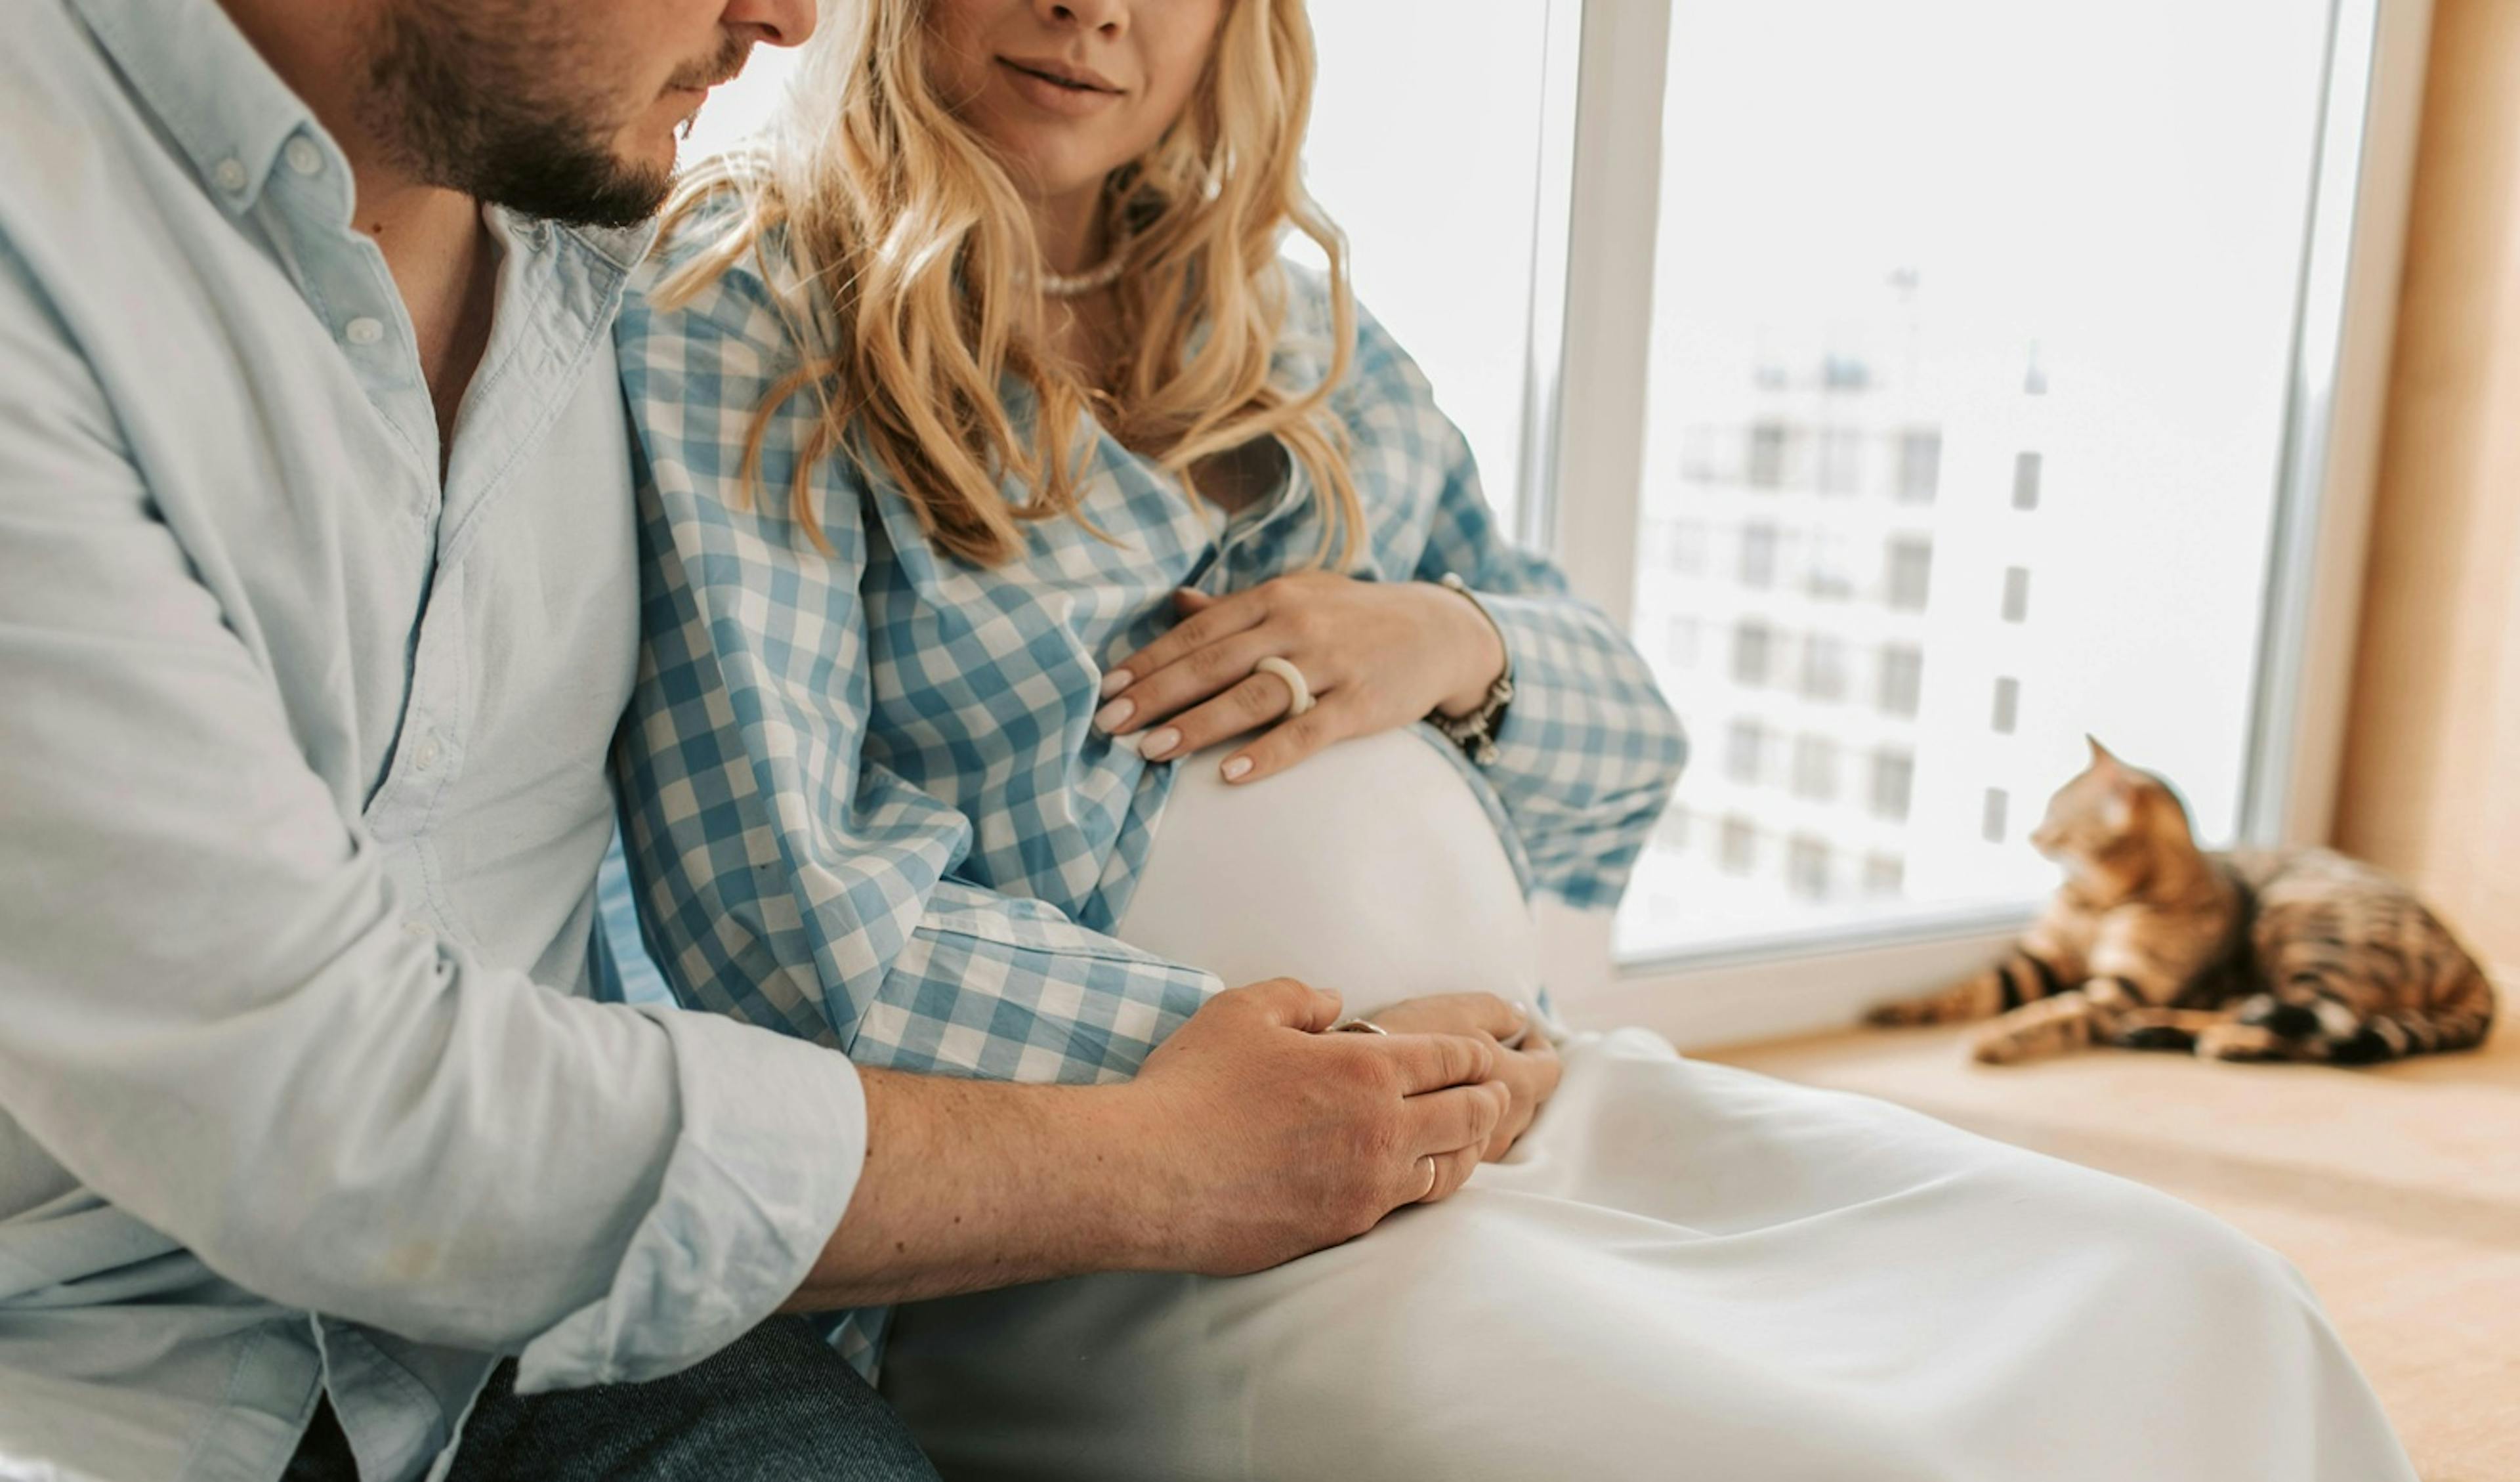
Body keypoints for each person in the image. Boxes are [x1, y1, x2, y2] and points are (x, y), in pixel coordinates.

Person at [609, 0, 2423, 1477]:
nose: (1094, 9)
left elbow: (1629, 744)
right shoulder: (748, 300)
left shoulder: (1298, 332)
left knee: (2202, 1299)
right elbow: (783, 926)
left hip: (1536, 1103)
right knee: (1839, 1452)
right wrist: (1325, 1075)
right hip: (1142, 1209)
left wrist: (1452, 639)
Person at [0, 2, 1525, 1479]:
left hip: (552, 1341)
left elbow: (1598, 713)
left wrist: (1463, 649)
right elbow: (341, 1104)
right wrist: (1178, 1147)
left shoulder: (575, 221)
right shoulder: (52, 251)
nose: (795, 17)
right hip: (102, 1356)